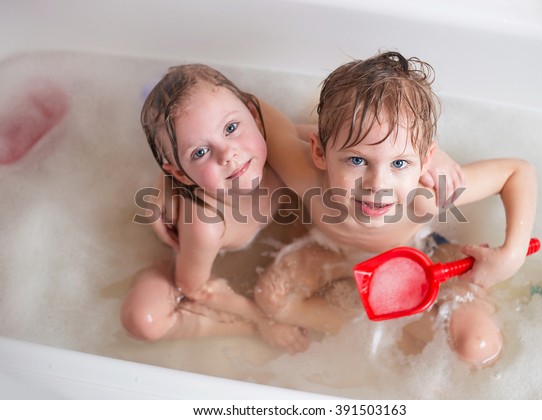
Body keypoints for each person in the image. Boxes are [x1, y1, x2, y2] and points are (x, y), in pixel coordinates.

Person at [121, 63, 465, 353]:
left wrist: (429, 159)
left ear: (254, 117)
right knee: (144, 321)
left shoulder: (273, 153)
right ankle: (242, 331)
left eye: (231, 128)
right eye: (200, 152)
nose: (229, 154)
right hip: (192, 262)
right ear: (180, 171)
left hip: (271, 227)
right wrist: (260, 319)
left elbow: (349, 142)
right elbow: (194, 286)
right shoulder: (205, 222)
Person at [255, 51, 537, 366]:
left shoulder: (425, 196)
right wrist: (303, 130)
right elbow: (255, 111)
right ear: (319, 153)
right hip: (327, 255)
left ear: (425, 162)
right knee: (270, 300)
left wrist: (512, 254)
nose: (378, 185)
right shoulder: (305, 174)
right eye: (357, 160)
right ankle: (374, 329)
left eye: (400, 162)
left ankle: (388, 331)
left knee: (478, 344)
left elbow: (518, 172)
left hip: (418, 258)